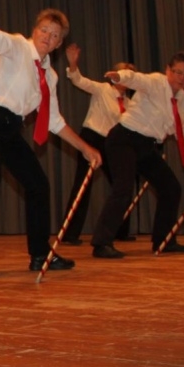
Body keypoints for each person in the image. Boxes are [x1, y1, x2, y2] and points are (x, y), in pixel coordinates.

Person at [0, 0, 101, 281]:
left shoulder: (50, 76)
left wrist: (85, 148)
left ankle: (40, 254)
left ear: (59, 43)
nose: (48, 36)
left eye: (55, 35)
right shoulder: (18, 46)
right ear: (35, 31)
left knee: (38, 185)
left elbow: (54, 121)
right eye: (44, 30)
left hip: (10, 128)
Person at [90, 52, 184, 258]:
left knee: (171, 188)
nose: (182, 78)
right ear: (168, 70)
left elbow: (183, 134)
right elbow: (136, 79)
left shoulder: (182, 100)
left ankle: (163, 241)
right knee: (123, 187)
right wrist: (120, 77)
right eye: (178, 72)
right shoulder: (156, 82)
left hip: (147, 146)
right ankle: (101, 243)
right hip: (123, 139)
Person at [59, 44, 136, 245]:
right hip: (92, 138)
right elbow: (79, 80)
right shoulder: (102, 89)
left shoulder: (130, 104)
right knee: (82, 186)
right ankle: (69, 234)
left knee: (122, 184)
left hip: (112, 144)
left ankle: (119, 230)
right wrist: (73, 64)